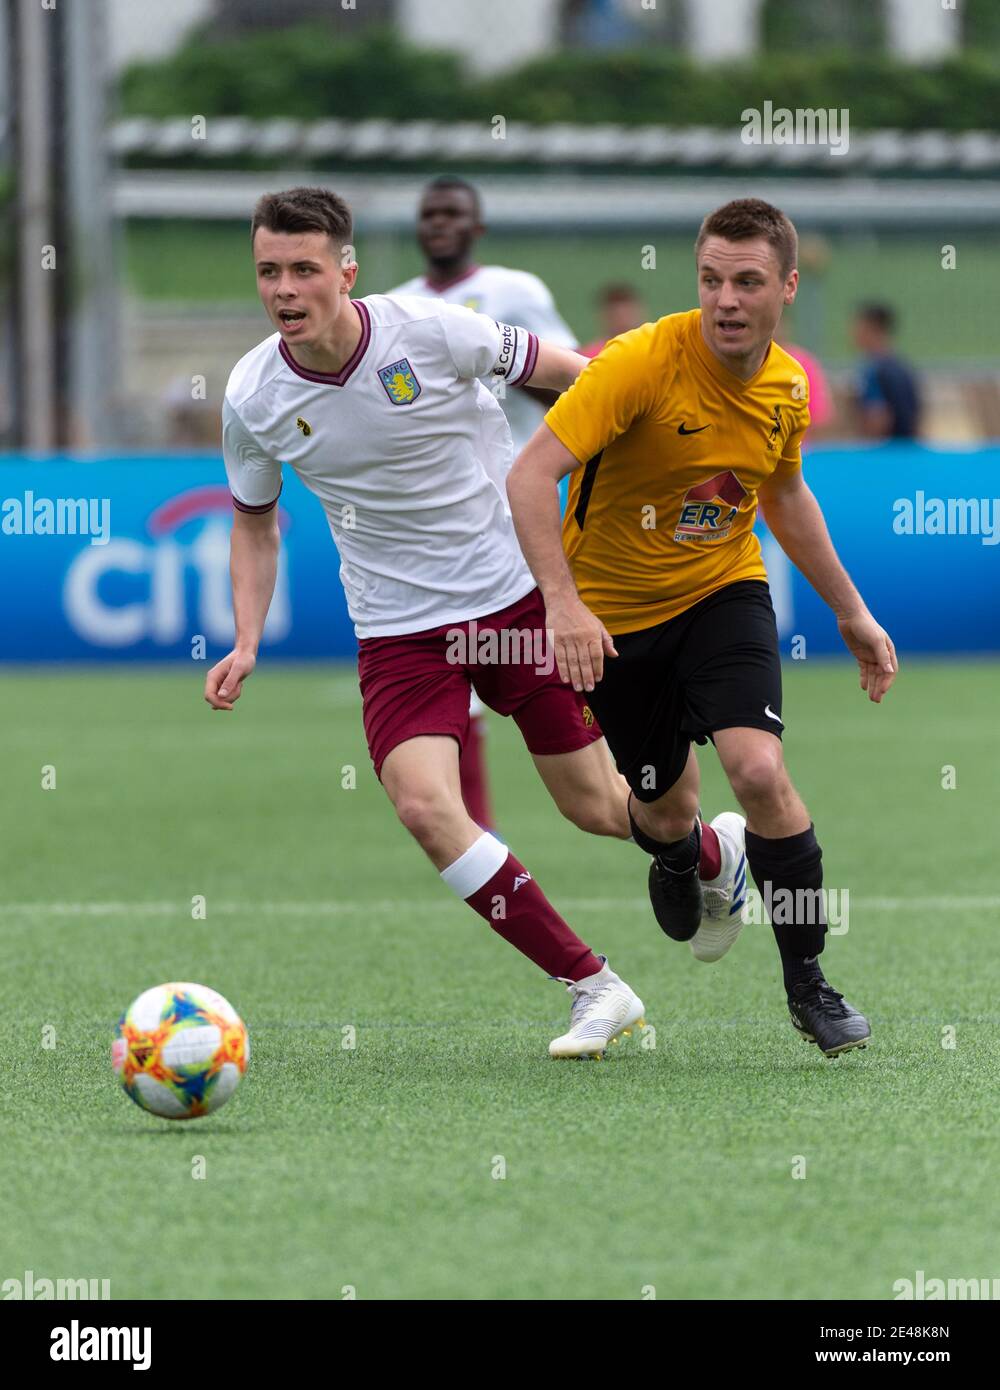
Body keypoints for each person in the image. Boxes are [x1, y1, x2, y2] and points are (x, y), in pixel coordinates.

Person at [204, 185, 676, 1059]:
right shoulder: (251, 395)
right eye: (269, 271)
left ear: (346, 272)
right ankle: (594, 986)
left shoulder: (434, 329)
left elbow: (581, 377)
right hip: (398, 633)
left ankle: (712, 857)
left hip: (514, 598)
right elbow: (255, 521)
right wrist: (245, 638)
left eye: (304, 269)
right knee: (426, 806)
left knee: (606, 811)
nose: (285, 289)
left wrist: (656, 458)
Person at [508, 197, 899, 1058]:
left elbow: (784, 495)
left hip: (724, 591)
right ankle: (687, 855)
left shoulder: (788, 385)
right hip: (613, 624)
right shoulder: (636, 365)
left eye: (748, 282)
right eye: (712, 280)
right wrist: (563, 605)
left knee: (759, 770)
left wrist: (852, 611)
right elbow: (530, 478)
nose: (727, 299)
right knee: (659, 807)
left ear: (787, 287)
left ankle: (810, 985)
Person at [389, 175, 579, 831]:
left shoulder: (514, 292)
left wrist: (508, 374)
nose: (438, 223)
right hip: (441, 521)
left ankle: (649, 796)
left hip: (518, 505)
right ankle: (482, 839)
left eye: (452, 213)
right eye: (429, 214)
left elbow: (571, 380)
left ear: (478, 228)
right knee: (454, 666)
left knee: (558, 659)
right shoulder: (395, 306)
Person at [851, 303, 921, 440]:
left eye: (858, 327)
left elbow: (877, 418)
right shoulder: (903, 367)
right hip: (905, 449)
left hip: (884, 453)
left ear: (873, 329)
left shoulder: (874, 371)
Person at [579, 284, 647, 359]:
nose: (622, 318)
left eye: (626, 312)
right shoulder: (589, 356)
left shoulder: (653, 349)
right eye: (616, 313)